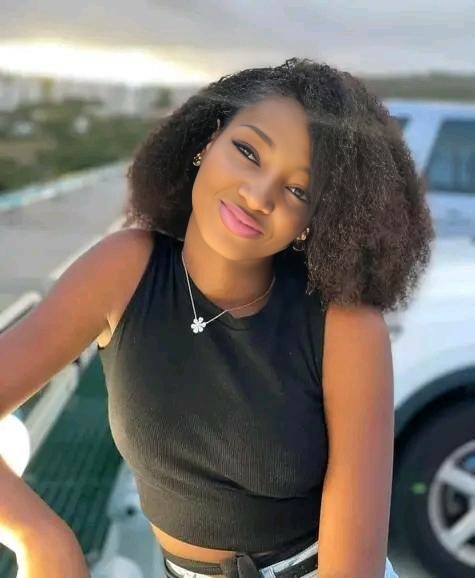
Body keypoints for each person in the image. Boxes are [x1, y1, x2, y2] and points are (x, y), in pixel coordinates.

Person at [0, 57, 434, 578]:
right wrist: (38, 535)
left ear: (314, 218)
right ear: (208, 140)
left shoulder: (346, 326)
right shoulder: (125, 270)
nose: (258, 195)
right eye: (248, 152)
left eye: (297, 190)